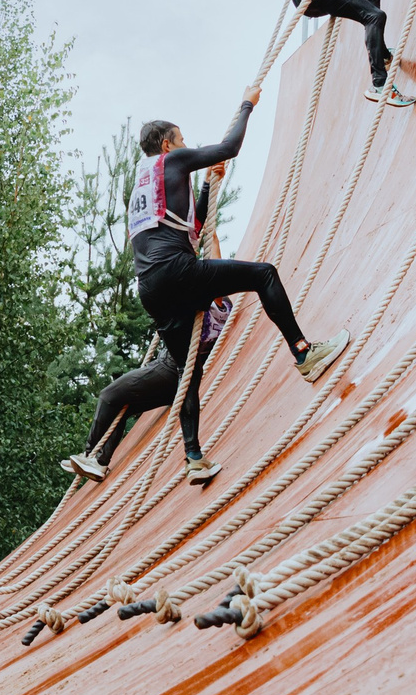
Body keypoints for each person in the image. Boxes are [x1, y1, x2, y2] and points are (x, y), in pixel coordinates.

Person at [130, 101, 350, 483]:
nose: (185, 145)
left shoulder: (139, 186)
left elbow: (190, 224)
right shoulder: (173, 163)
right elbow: (229, 146)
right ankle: (303, 353)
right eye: (181, 140)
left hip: (150, 288)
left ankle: (194, 457)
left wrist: (205, 185)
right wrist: (248, 104)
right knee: (264, 275)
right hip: (176, 271)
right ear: (167, 146)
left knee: (188, 372)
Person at [59, 299, 228, 482]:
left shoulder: (206, 308)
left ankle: (89, 453)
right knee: (122, 407)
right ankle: (100, 462)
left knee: (109, 395)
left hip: (169, 369)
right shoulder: (222, 307)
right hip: (177, 374)